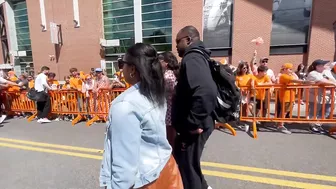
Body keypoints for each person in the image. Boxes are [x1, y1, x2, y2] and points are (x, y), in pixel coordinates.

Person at [100, 43, 183, 189]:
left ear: (132, 69)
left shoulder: (125, 104)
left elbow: (124, 162)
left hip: (145, 179)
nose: (121, 68)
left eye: (122, 64)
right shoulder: (156, 93)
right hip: (167, 168)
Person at [172, 26, 217, 189]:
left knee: (188, 168)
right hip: (197, 123)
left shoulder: (192, 58)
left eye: (178, 41)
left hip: (195, 126)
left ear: (189, 40)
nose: (176, 45)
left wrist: (192, 123)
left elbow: (206, 92)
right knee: (187, 163)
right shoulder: (198, 57)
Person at [278, 63, 312, 134]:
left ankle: (280, 123)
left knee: (285, 111)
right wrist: (305, 81)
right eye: (289, 69)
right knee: (284, 112)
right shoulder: (283, 76)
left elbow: (295, 81)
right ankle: (280, 125)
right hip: (286, 97)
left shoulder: (289, 76)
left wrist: (294, 75)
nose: (291, 71)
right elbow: (294, 81)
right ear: (284, 69)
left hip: (291, 97)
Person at [306, 60, 336, 133]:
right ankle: (312, 126)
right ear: (317, 66)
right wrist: (333, 84)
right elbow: (322, 81)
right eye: (323, 65)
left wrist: (332, 84)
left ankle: (318, 124)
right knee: (315, 112)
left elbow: (330, 80)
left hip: (328, 96)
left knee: (327, 111)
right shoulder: (313, 73)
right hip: (316, 96)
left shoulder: (325, 72)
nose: (324, 67)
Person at [158, 51, 180, 149]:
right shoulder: (170, 74)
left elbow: (165, 93)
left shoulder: (167, 76)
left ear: (165, 63)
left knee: (169, 136)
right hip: (170, 108)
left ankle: (171, 155)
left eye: (160, 61)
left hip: (169, 109)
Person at [235, 61, 253, 131]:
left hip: (248, 94)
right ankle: (240, 121)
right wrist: (241, 90)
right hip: (241, 94)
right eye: (243, 68)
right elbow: (236, 86)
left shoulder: (249, 76)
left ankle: (246, 122)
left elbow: (253, 83)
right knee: (240, 108)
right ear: (240, 68)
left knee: (246, 108)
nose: (245, 69)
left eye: (246, 68)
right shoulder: (238, 77)